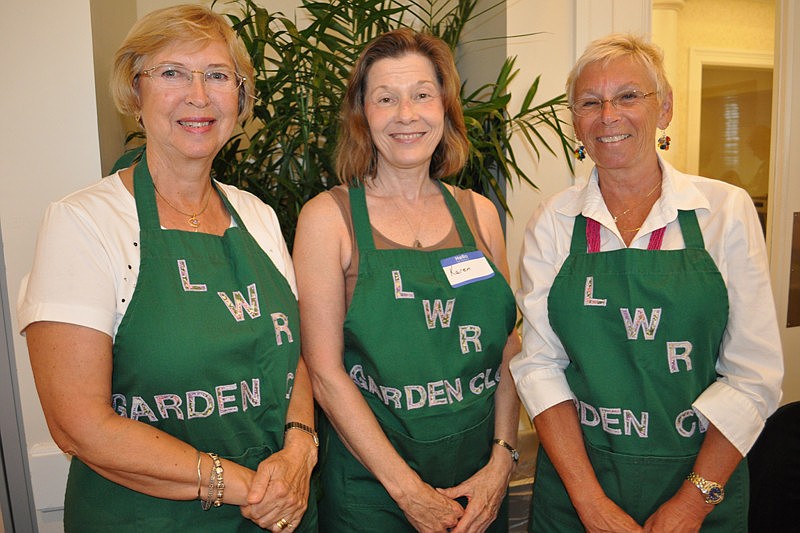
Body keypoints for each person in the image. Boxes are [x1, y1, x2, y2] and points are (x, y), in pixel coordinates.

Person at [17, 5, 317, 532]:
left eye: (219, 76)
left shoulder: (259, 217)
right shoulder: (83, 223)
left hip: (276, 512)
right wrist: (247, 485)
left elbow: (291, 357)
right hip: (149, 519)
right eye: (173, 72)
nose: (198, 96)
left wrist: (298, 451)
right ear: (136, 93)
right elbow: (78, 425)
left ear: (240, 99)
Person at [510, 33, 783, 532]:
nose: (608, 116)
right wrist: (590, 504)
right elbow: (540, 367)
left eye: (629, 96)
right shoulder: (553, 220)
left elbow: (754, 375)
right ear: (576, 122)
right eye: (590, 102)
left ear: (665, 109)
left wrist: (691, 504)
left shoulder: (724, 211)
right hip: (578, 487)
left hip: (702, 479)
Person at [292, 28, 521, 532]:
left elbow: (507, 350)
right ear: (362, 114)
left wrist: (502, 460)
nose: (406, 115)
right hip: (373, 495)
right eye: (385, 99)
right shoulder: (328, 219)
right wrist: (408, 492)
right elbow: (325, 374)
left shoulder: (479, 214)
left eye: (421, 95)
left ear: (444, 106)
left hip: (476, 490)